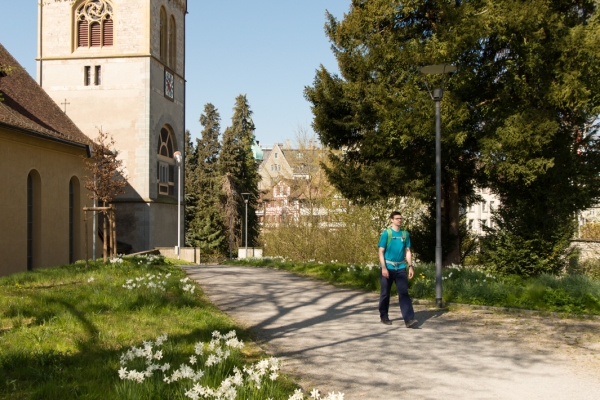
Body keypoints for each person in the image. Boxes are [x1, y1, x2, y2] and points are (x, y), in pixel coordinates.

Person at [378, 211, 418, 328]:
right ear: (391, 220)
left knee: (404, 293)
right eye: (396, 218)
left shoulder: (405, 234)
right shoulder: (387, 233)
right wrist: (384, 267)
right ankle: (384, 316)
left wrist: (410, 266)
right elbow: (381, 251)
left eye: (400, 218)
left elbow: (408, 251)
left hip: (401, 268)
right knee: (385, 293)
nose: (399, 220)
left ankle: (409, 319)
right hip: (388, 267)